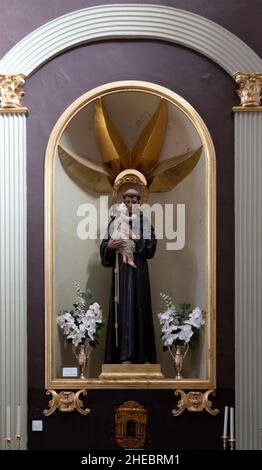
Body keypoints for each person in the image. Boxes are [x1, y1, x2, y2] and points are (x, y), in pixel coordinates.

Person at [100, 188, 157, 364]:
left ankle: (141, 356)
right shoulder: (114, 222)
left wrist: (135, 238)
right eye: (127, 200)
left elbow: (151, 248)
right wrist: (108, 246)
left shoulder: (144, 223)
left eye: (134, 200)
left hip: (138, 272)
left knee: (138, 307)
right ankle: (121, 356)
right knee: (122, 308)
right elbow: (104, 248)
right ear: (122, 202)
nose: (131, 204)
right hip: (121, 273)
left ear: (140, 202)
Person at [110, 202, 137, 268]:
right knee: (128, 245)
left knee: (130, 245)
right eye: (127, 202)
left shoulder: (143, 221)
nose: (130, 204)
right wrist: (108, 246)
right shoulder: (116, 219)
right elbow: (106, 243)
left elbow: (150, 245)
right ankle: (129, 259)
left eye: (133, 202)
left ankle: (127, 258)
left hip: (138, 264)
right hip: (119, 264)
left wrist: (136, 239)